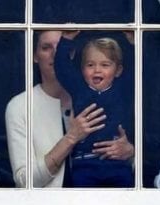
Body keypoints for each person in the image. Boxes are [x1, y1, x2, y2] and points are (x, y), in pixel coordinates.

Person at [6, 30, 134, 188]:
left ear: (72, 54)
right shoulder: (20, 106)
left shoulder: (109, 93)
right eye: (46, 47)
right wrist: (71, 137)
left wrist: (130, 152)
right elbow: (23, 182)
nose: (54, 54)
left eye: (60, 46)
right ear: (34, 55)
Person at [53, 31, 133, 187]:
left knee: (125, 204)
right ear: (82, 70)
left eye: (105, 65)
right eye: (90, 65)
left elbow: (140, 68)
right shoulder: (79, 88)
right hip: (85, 164)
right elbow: (61, 67)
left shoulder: (123, 88)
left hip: (116, 163)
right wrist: (66, 40)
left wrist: (133, 42)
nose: (97, 70)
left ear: (118, 70)